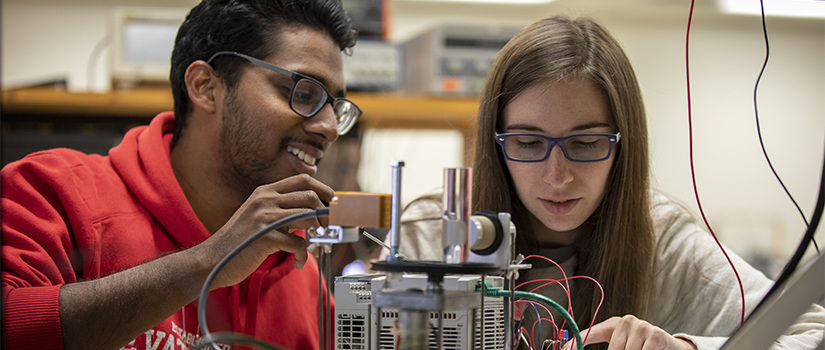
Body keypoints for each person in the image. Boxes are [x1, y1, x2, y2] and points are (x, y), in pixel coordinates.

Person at [383, 16, 825, 350]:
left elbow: (812, 331)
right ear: (495, 144)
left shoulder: (664, 242)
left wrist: (686, 347)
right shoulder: (429, 235)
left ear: (623, 145)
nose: (558, 176)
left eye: (587, 142)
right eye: (528, 142)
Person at [1, 0, 360, 349]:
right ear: (205, 87)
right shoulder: (54, 190)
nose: (329, 127)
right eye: (303, 92)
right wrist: (206, 263)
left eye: (335, 106)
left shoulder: (302, 274)